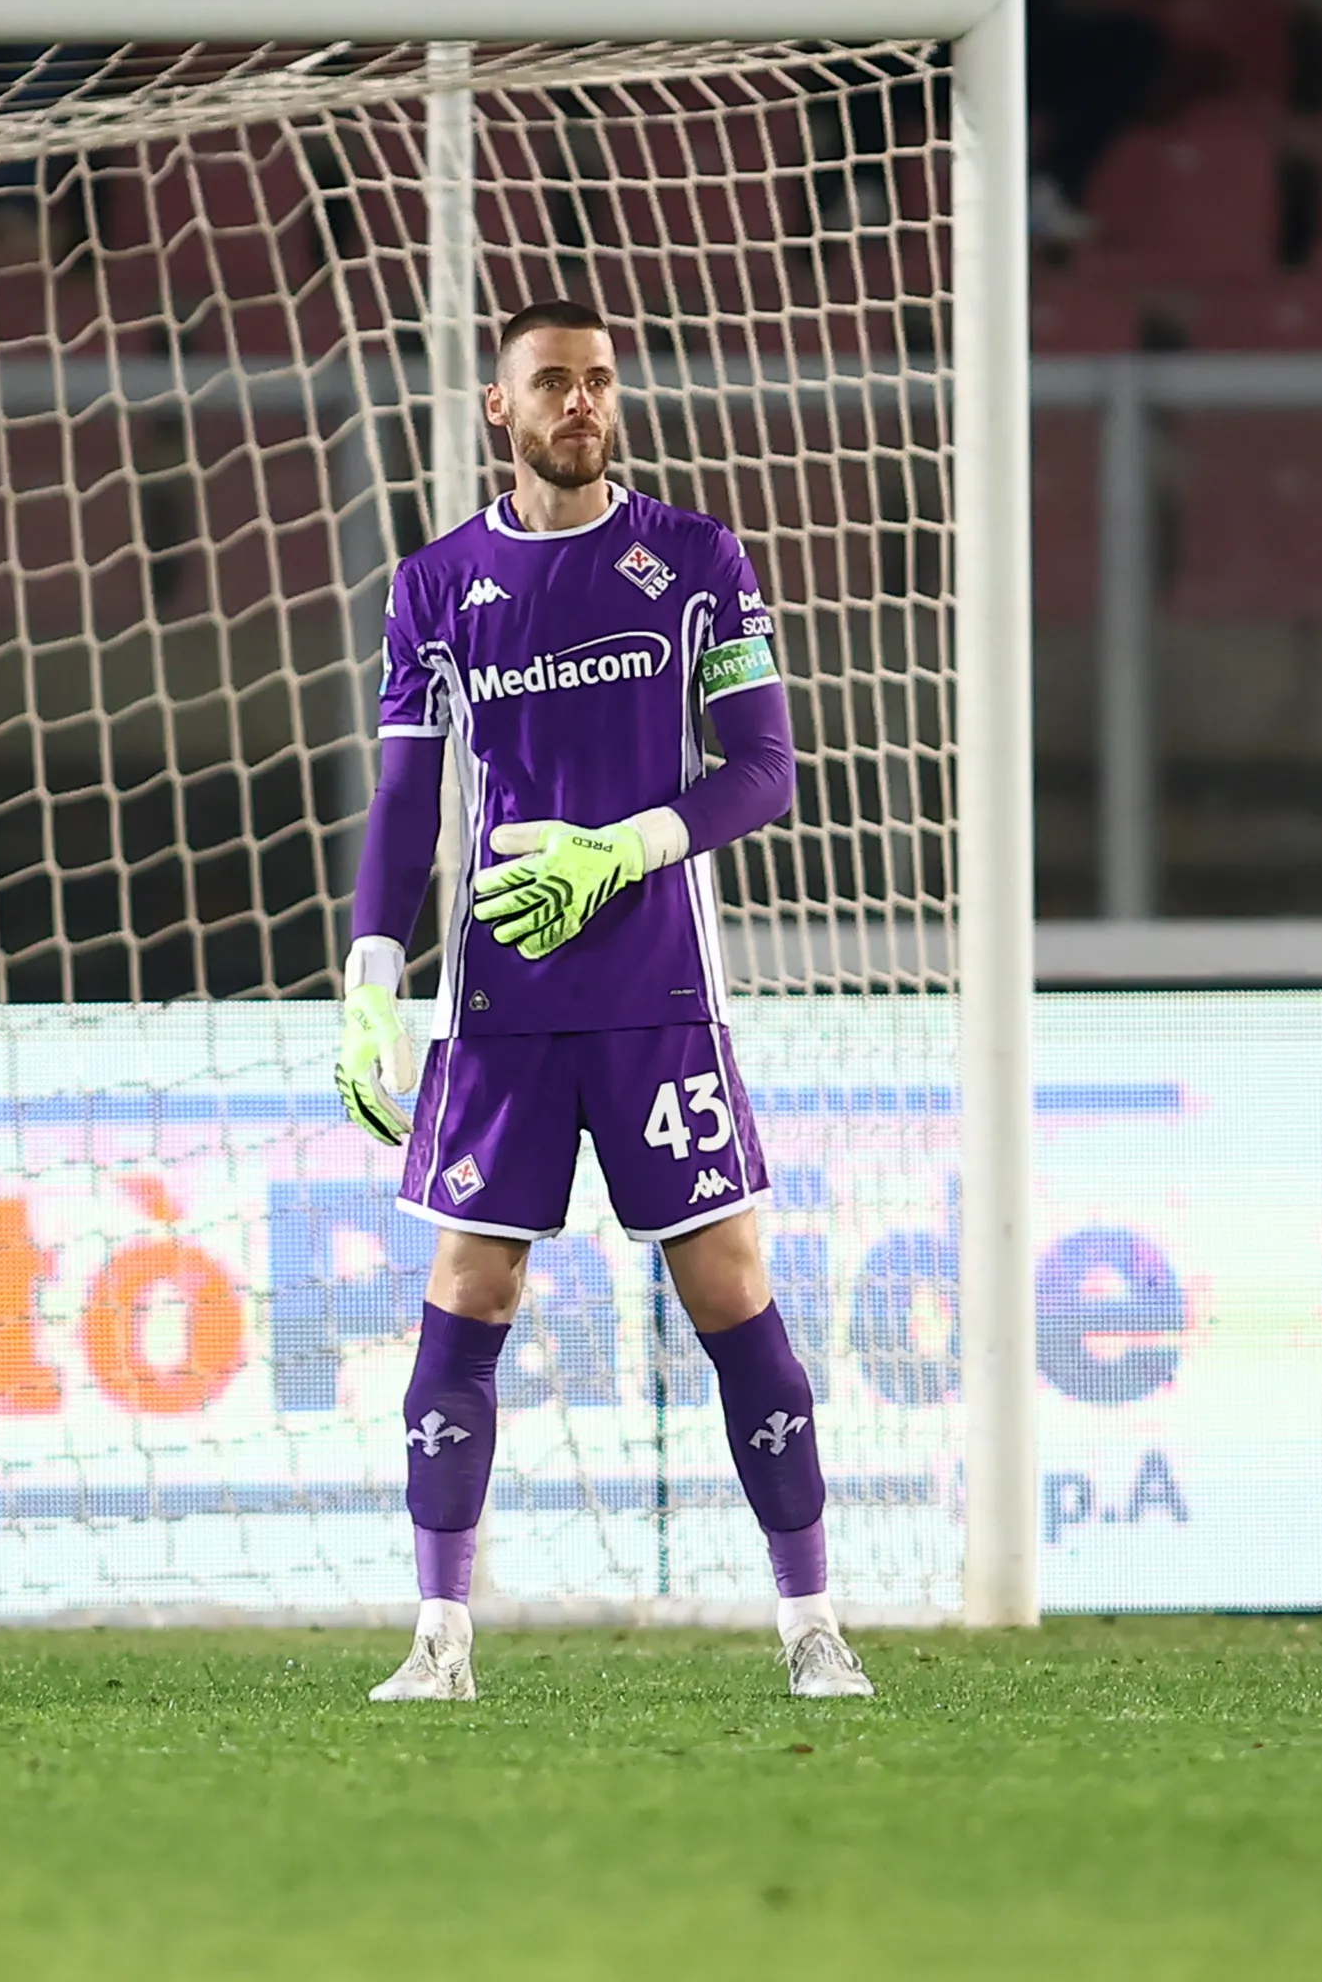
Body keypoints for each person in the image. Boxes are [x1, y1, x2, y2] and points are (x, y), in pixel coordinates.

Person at [334, 298, 871, 1704]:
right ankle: (440, 1638)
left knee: (729, 1286)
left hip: (656, 989)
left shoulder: (696, 561)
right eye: (552, 383)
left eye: (599, 381)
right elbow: (404, 801)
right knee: (471, 1288)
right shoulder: (436, 585)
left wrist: (623, 848)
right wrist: (373, 979)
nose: (581, 402)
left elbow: (764, 770)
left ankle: (813, 1623)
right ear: (498, 408)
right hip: (503, 1000)